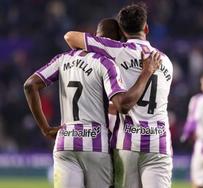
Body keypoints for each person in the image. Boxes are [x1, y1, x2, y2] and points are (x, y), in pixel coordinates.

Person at [24, 18, 162, 188]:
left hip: (65, 142)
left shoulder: (62, 59)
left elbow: (30, 85)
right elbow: (120, 103)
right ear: (117, 41)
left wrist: (45, 128)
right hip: (96, 144)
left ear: (97, 36)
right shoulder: (107, 64)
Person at [63, 3, 173, 188]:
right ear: (146, 28)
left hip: (127, 143)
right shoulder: (166, 61)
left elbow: (70, 37)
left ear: (121, 30)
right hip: (158, 143)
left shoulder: (115, 50)